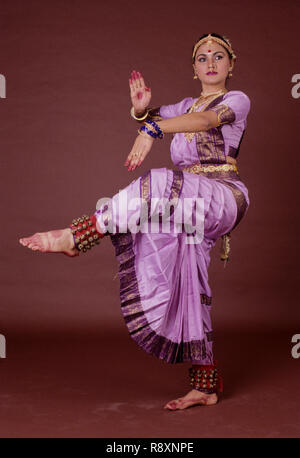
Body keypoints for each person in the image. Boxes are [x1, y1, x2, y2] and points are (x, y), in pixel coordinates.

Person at [19, 33, 251, 411]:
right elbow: (161, 114)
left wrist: (152, 129)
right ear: (194, 69)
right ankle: (206, 382)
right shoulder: (182, 104)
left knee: (156, 181)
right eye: (202, 57)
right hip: (184, 203)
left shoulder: (236, 100)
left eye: (219, 56)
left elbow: (206, 119)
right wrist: (142, 113)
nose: (210, 62)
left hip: (222, 196)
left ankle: (80, 235)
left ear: (230, 64)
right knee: (187, 277)